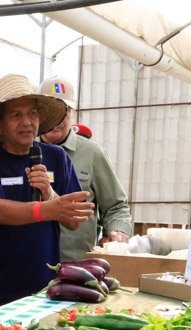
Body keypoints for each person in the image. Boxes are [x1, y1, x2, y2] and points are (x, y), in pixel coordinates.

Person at [0, 74, 92, 311]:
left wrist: (49, 192)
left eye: (32, 114)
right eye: (16, 115)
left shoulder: (56, 156)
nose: (26, 122)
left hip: (47, 287)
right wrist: (47, 209)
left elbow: (74, 221)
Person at [40, 76, 132, 260]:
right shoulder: (24, 152)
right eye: (49, 110)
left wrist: (118, 231)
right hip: (30, 265)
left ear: (72, 112)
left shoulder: (93, 154)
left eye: (63, 111)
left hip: (76, 266)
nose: (55, 119)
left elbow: (115, 205)